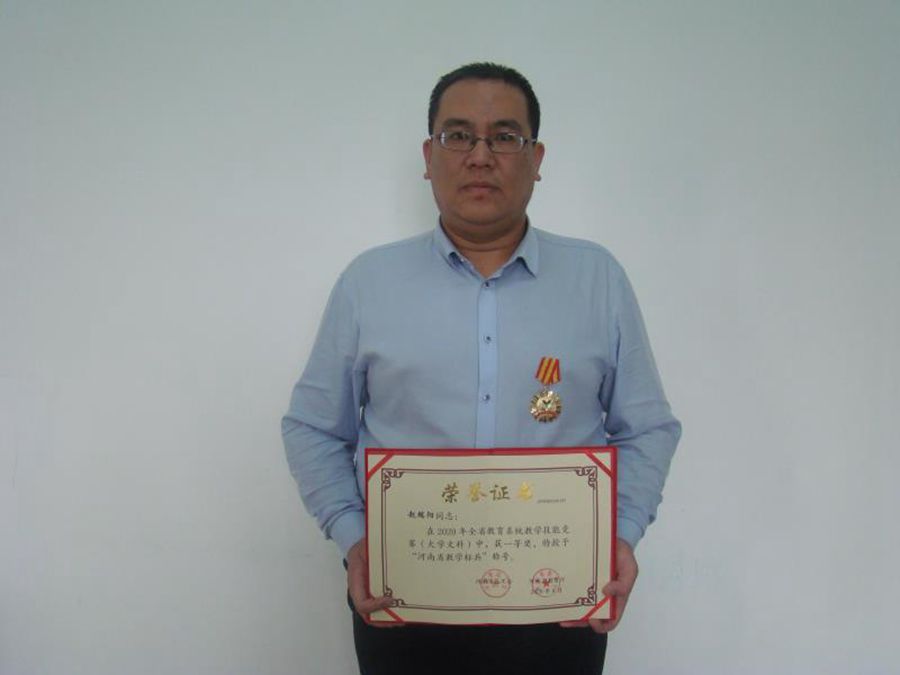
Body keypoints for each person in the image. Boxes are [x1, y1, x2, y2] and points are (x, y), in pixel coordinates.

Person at [282, 62, 681, 675]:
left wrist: (620, 532)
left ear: (536, 158)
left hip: (557, 602)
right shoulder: (368, 283)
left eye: (505, 137)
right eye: (459, 135)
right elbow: (312, 426)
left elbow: (648, 426)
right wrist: (354, 537)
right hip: (405, 595)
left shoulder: (597, 279)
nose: (480, 155)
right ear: (429, 155)